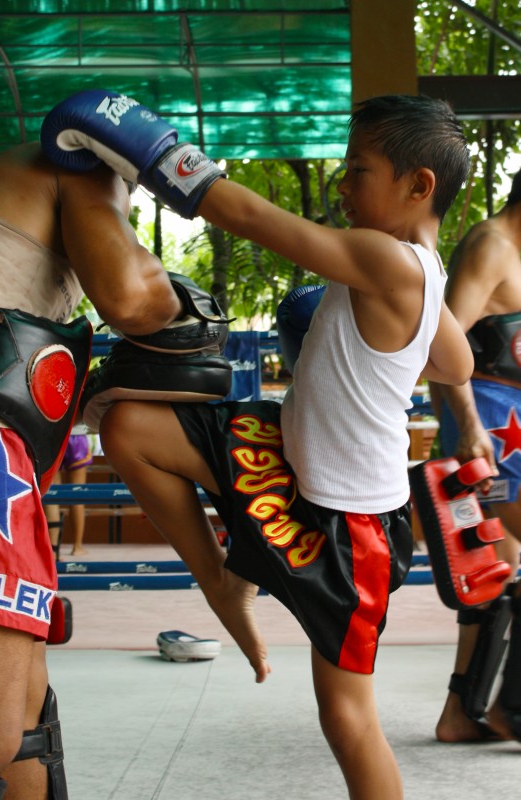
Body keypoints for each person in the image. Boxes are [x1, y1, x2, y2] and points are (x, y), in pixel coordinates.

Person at [47, 91, 473, 800]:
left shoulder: (386, 261)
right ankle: (222, 582)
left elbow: (246, 216)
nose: (341, 185)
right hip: (283, 450)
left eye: (357, 169)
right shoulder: (421, 273)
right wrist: (386, 356)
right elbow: (456, 364)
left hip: (351, 527)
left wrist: (151, 147)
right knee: (127, 427)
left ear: (416, 184)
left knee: (345, 718)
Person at [0, 139, 181, 798]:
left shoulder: (21, 232)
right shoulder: (83, 167)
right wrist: (172, 298)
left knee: (28, 732)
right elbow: (137, 303)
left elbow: (3, 361)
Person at [429, 168, 521, 744]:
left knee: (496, 572)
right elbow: (442, 343)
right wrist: (466, 427)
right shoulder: (492, 246)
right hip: (486, 432)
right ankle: (513, 707)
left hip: (510, 425)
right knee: (499, 566)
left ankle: (462, 713)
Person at [46, 433, 94, 558]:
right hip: (78, 437)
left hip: (55, 435)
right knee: (78, 495)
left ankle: (53, 549)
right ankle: (77, 546)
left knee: (52, 494)